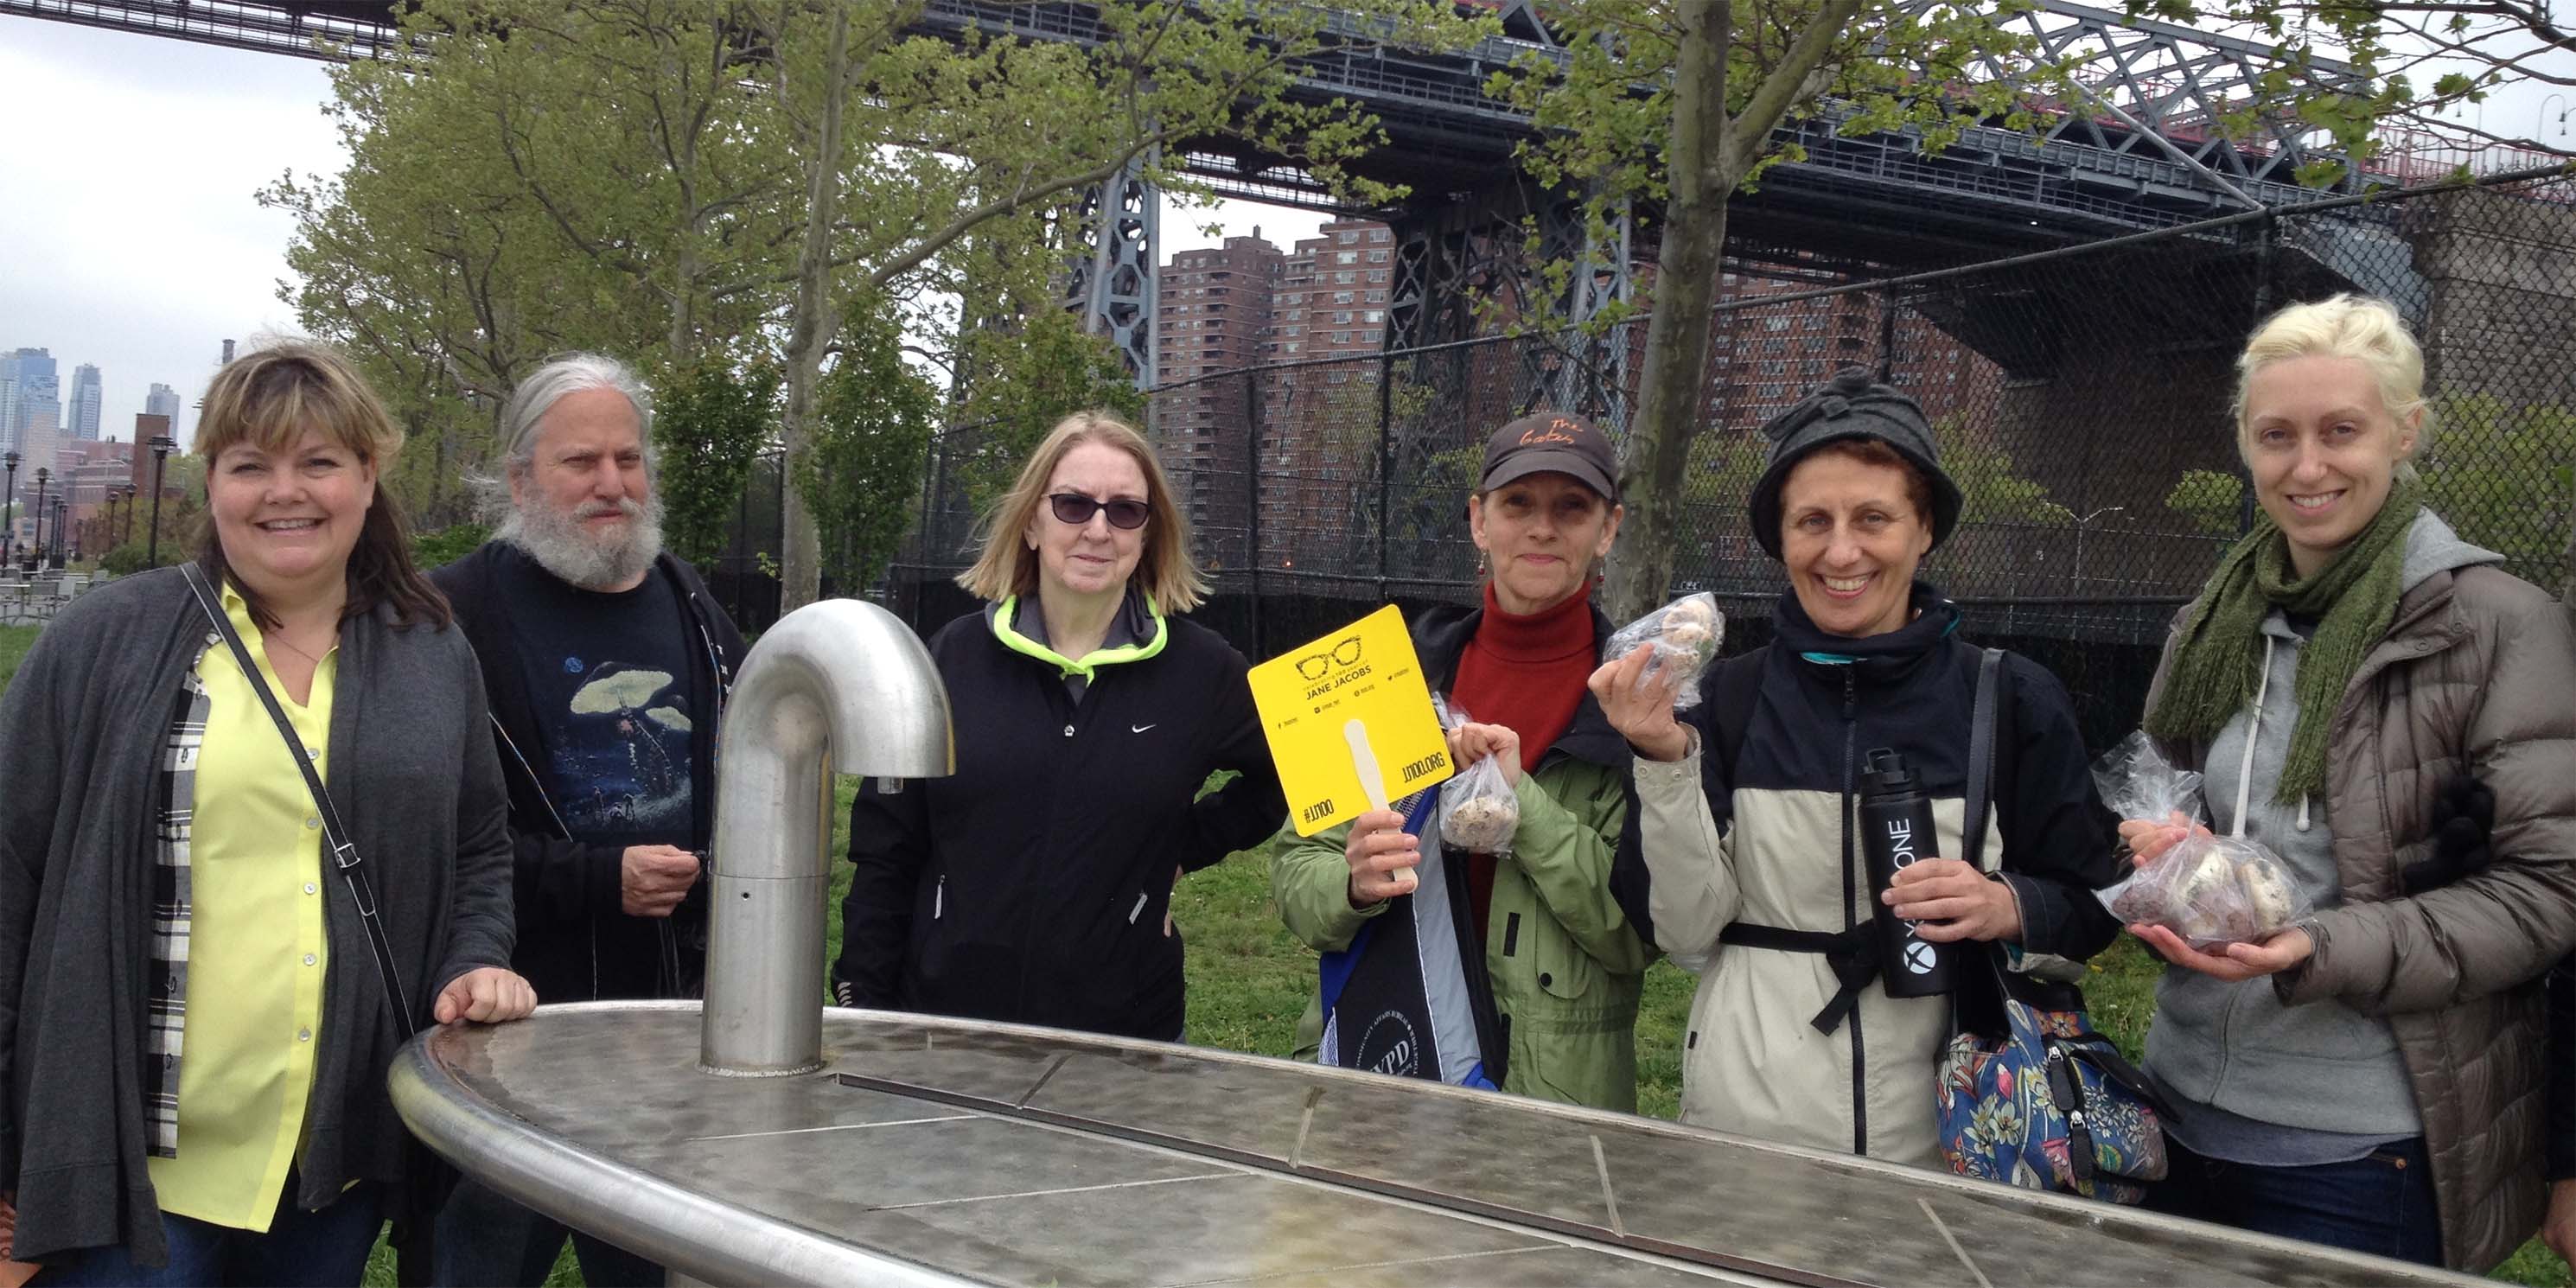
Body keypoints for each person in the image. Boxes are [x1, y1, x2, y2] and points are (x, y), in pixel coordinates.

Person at [0, 342, 532, 1283]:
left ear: (368, 475)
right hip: (128, 1167)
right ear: (214, 485)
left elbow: (479, 847)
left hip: (334, 1162)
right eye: (251, 464)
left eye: (319, 461)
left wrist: (474, 960)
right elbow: (9, 868)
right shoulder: (103, 641)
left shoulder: (432, 655)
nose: (286, 491)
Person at [2119, 294, 2576, 1272]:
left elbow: (2545, 892)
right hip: (2173, 1105)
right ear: (2244, 443)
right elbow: (2176, 797)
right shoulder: (2215, 618)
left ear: (2405, 432)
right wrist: (2158, 853)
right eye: (2276, 435)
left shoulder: (2499, 625)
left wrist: (2316, 944)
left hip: (2361, 1149)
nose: (2307, 466)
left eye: (2341, 432)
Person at [1595, 369, 2122, 1161]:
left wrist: (2006, 905)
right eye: (1812, 521)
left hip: (1959, 1134)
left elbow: (2095, 905)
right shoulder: (1725, 699)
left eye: (1873, 517)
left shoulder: (2008, 699)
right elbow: (1681, 928)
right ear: (1781, 538)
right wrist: (1662, 759)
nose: (1842, 551)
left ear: (1925, 530)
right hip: (1748, 1130)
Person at [425, 354, 743, 1287]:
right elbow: (426, 838)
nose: (612, 483)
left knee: (654, 1265)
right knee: (483, 1262)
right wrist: (595, 876)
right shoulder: (449, 617)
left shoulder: (695, 607)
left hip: (665, 1025)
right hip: (509, 1026)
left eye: (628, 458)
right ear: (521, 478)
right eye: (581, 462)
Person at [833, 411, 1284, 1041]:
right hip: (941, 1026)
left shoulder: (1203, 671)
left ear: (1149, 536)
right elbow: (887, 845)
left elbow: (1285, 768)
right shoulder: (950, 658)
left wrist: (1177, 850)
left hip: (1122, 1041)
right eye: (1073, 505)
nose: (1098, 528)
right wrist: (863, 997)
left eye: (1125, 511)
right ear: (1032, 523)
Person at [1272, 412, 1653, 1112]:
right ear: (1479, 521)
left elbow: (1635, 936)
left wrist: (1522, 806)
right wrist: (1352, 882)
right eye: (1518, 504)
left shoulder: (1636, 705)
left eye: (1572, 507)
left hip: (1548, 1092)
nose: (1543, 528)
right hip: (1385, 1050)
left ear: (1608, 528)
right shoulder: (1391, 675)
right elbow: (1297, 879)